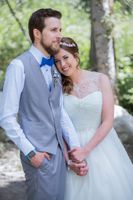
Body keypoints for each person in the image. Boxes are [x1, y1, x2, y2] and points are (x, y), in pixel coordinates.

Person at [0, 9, 87, 200]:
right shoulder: (18, 66)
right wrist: (31, 153)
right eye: (54, 30)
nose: (59, 35)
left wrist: (74, 149)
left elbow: (60, 113)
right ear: (37, 34)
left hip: (60, 156)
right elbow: (6, 117)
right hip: (39, 157)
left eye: (60, 30)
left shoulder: (54, 67)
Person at [54, 37, 133, 200]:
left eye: (66, 57)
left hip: (103, 146)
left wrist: (86, 151)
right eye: (56, 61)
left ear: (75, 56)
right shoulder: (56, 87)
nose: (62, 64)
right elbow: (59, 126)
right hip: (72, 149)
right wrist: (70, 160)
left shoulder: (100, 79)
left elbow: (108, 120)